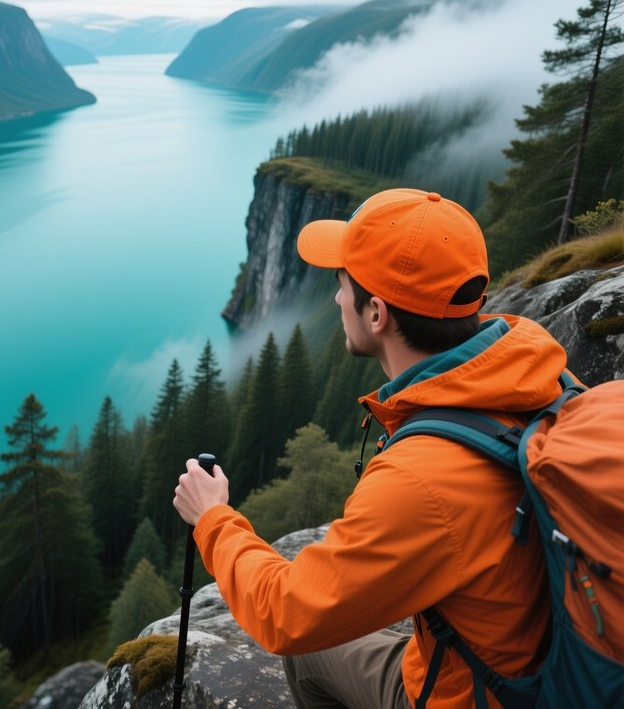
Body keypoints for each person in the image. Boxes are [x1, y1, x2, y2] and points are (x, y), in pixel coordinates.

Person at [173, 188, 568, 709]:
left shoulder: (421, 480)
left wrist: (213, 519)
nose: (337, 299)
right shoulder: (542, 371)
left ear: (376, 313)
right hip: (549, 661)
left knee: (310, 652)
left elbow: (288, 616)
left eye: (342, 285)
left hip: (479, 696)